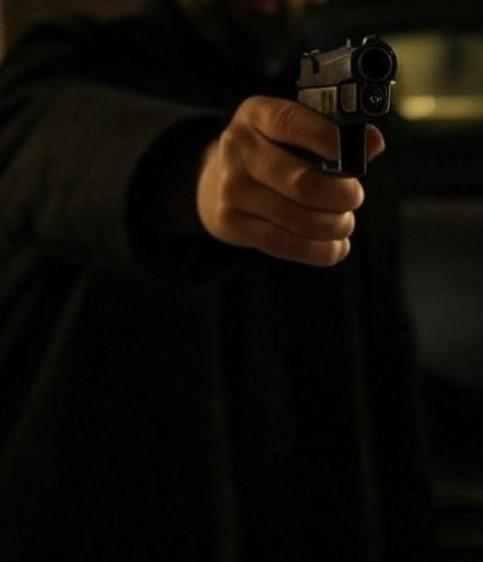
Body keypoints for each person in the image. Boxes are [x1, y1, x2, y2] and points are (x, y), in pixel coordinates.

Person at [0, 0, 430, 560]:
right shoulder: (79, 63)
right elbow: (46, 145)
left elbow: (376, 349)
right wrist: (194, 175)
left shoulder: (330, 89)